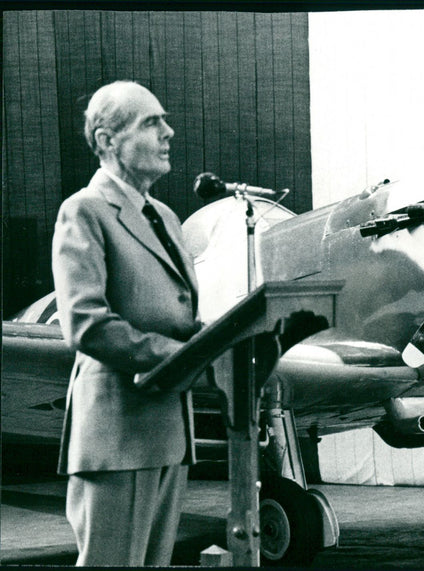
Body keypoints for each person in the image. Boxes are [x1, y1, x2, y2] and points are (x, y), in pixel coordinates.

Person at [52, 80, 200, 566]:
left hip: (167, 432)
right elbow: (85, 323)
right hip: (116, 434)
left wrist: (217, 339)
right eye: (151, 122)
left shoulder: (167, 217)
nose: (169, 133)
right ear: (106, 140)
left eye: (164, 120)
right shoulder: (84, 211)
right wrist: (178, 356)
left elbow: (178, 315)